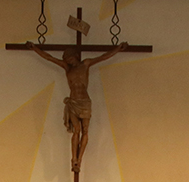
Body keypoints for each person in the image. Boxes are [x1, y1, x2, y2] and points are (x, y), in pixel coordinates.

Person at [28, 41, 128, 172]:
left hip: (84, 102)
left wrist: (118, 49)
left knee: (85, 130)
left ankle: (79, 159)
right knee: (76, 130)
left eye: (69, 58)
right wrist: (35, 48)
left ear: (75, 56)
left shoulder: (85, 64)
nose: (68, 61)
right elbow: (49, 57)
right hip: (73, 102)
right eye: (66, 59)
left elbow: (103, 57)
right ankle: (74, 159)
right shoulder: (66, 68)